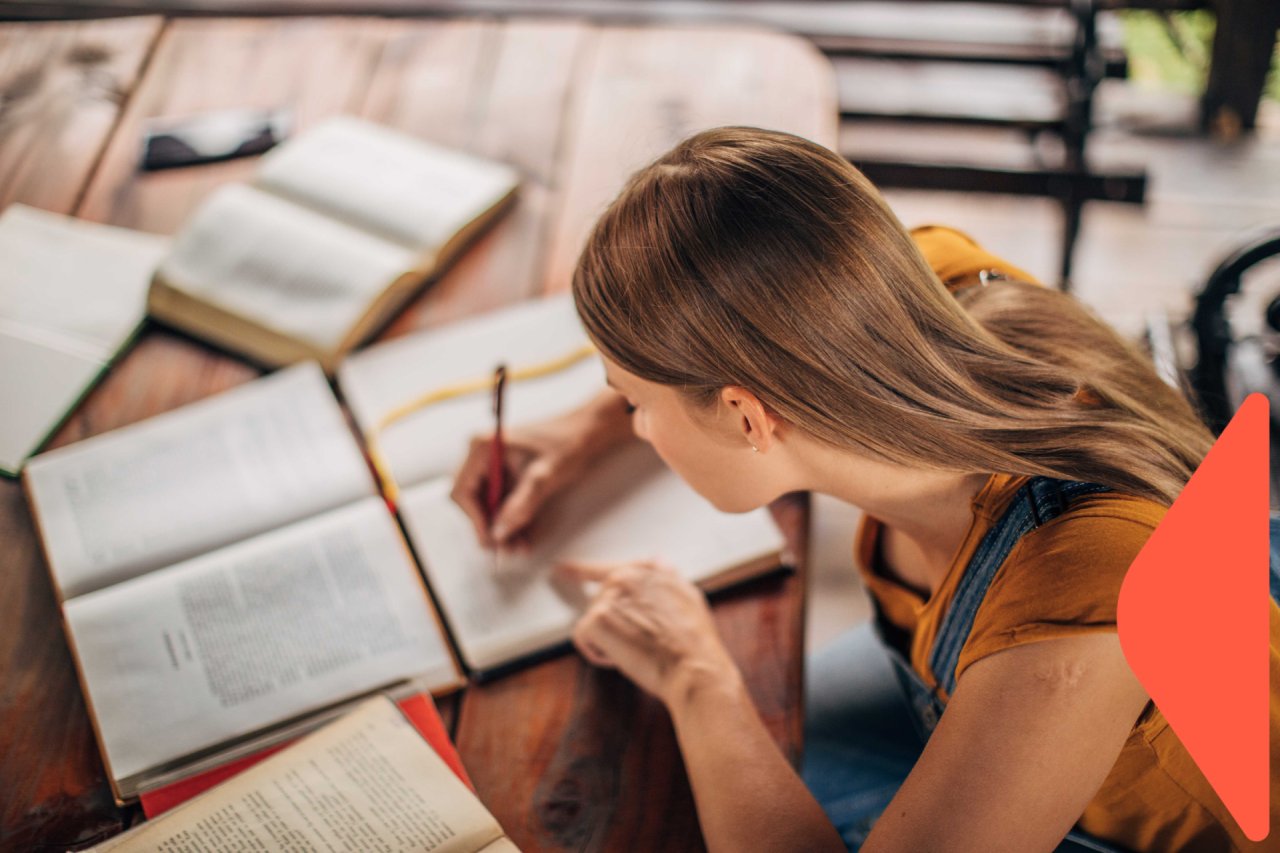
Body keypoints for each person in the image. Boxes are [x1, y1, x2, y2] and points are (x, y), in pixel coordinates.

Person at [449, 126, 1280, 852]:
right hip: (970, 689)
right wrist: (577, 433)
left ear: (747, 415)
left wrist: (695, 675)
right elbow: (756, 309)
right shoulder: (926, 284)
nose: (631, 425)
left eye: (633, 403)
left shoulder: (1076, 603)